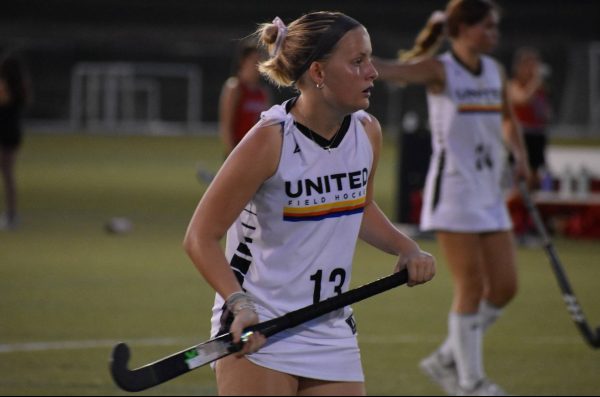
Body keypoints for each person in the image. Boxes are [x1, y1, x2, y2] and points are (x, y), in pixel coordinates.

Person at [183, 12, 436, 396]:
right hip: (261, 325)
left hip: (329, 326)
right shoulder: (270, 140)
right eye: (357, 61)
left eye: (369, 59)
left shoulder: (367, 132)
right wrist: (238, 303)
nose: (373, 72)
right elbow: (200, 236)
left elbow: (359, 207)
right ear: (318, 72)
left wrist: (405, 247)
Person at [373, 0, 530, 395]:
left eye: (497, 27)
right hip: (455, 193)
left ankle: (445, 359)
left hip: (489, 192)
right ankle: (471, 381)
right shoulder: (440, 69)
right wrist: (344, 55)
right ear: (463, 30)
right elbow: (389, 69)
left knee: (506, 287)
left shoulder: (494, 70)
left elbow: (508, 118)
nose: (494, 35)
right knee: (471, 287)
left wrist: (520, 155)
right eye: (487, 27)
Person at [508, 47, 552, 190]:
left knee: (536, 175)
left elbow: (544, 110)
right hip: (522, 135)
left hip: (537, 134)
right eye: (529, 65)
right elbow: (521, 99)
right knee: (521, 175)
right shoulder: (514, 85)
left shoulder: (540, 87)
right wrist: (535, 82)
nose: (532, 70)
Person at [219, 40, 271, 157]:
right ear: (243, 62)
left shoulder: (262, 92)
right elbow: (226, 126)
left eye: (260, 61)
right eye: (254, 61)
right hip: (238, 150)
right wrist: (232, 154)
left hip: (257, 151)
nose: (258, 65)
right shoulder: (235, 88)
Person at [0, 52, 30, 231]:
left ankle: (11, 215)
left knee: (7, 175)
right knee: (8, 175)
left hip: (5, 134)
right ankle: (12, 214)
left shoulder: (5, 88)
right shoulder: (21, 88)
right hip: (13, 134)